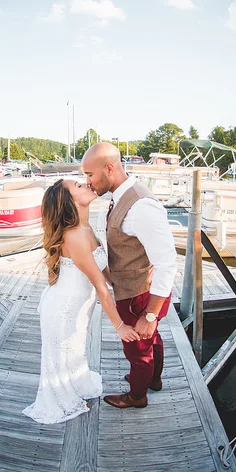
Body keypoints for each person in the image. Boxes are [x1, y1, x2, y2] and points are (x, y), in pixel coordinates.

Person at [22, 178, 139, 424]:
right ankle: (62, 400)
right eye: (78, 186)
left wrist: (132, 286)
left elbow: (104, 273)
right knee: (60, 355)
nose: (86, 184)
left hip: (79, 307)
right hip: (62, 307)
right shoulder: (75, 236)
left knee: (75, 349)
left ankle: (75, 386)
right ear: (69, 201)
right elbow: (100, 288)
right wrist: (120, 326)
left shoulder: (86, 228)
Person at [82, 142, 178, 409]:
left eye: (90, 174)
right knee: (151, 340)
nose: (88, 181)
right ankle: (153, 379)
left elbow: (167, 263)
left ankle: (137, 396)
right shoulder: (121, 195)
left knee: (138, 351)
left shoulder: (141, 207)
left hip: (139, 295)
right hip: (137, 289)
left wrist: (150, 315)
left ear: (109, 168)